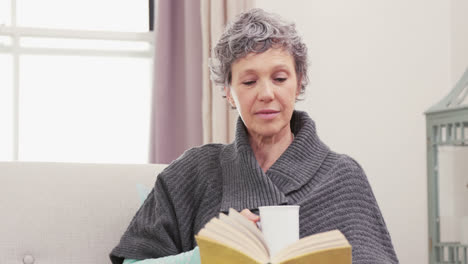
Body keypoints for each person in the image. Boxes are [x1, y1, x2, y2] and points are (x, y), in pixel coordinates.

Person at [110, 8, 399, 264]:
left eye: (280, 78)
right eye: (249, 81)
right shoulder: (193, 172)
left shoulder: (342, 175)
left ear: (299, 83)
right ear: (229, 92)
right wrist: (205, 257)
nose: (266, 94)